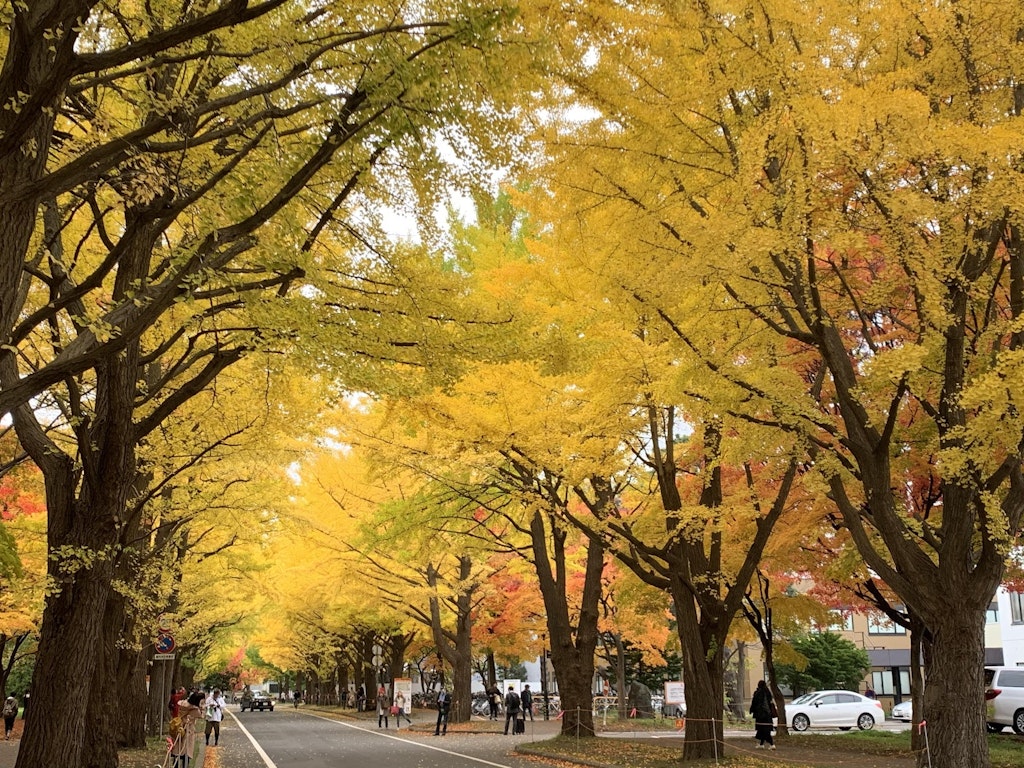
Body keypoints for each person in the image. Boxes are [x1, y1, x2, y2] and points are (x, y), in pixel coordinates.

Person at [171, 690, 204, 767]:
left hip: (179, 727)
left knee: (178, 747)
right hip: (188, 730)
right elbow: (201, 715)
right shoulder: (194, 710)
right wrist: (202, 707)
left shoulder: (183, 704)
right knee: (187, 749)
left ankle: (175, 764)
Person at [750, 680, 776, 750]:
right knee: (763, 730)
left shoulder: (758, 693)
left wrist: (751, 710)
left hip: (761, 715)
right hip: (768, 715)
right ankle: (761, 744)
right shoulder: (768, 692)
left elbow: (754, 703)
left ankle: (771, 744)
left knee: (764, 730)